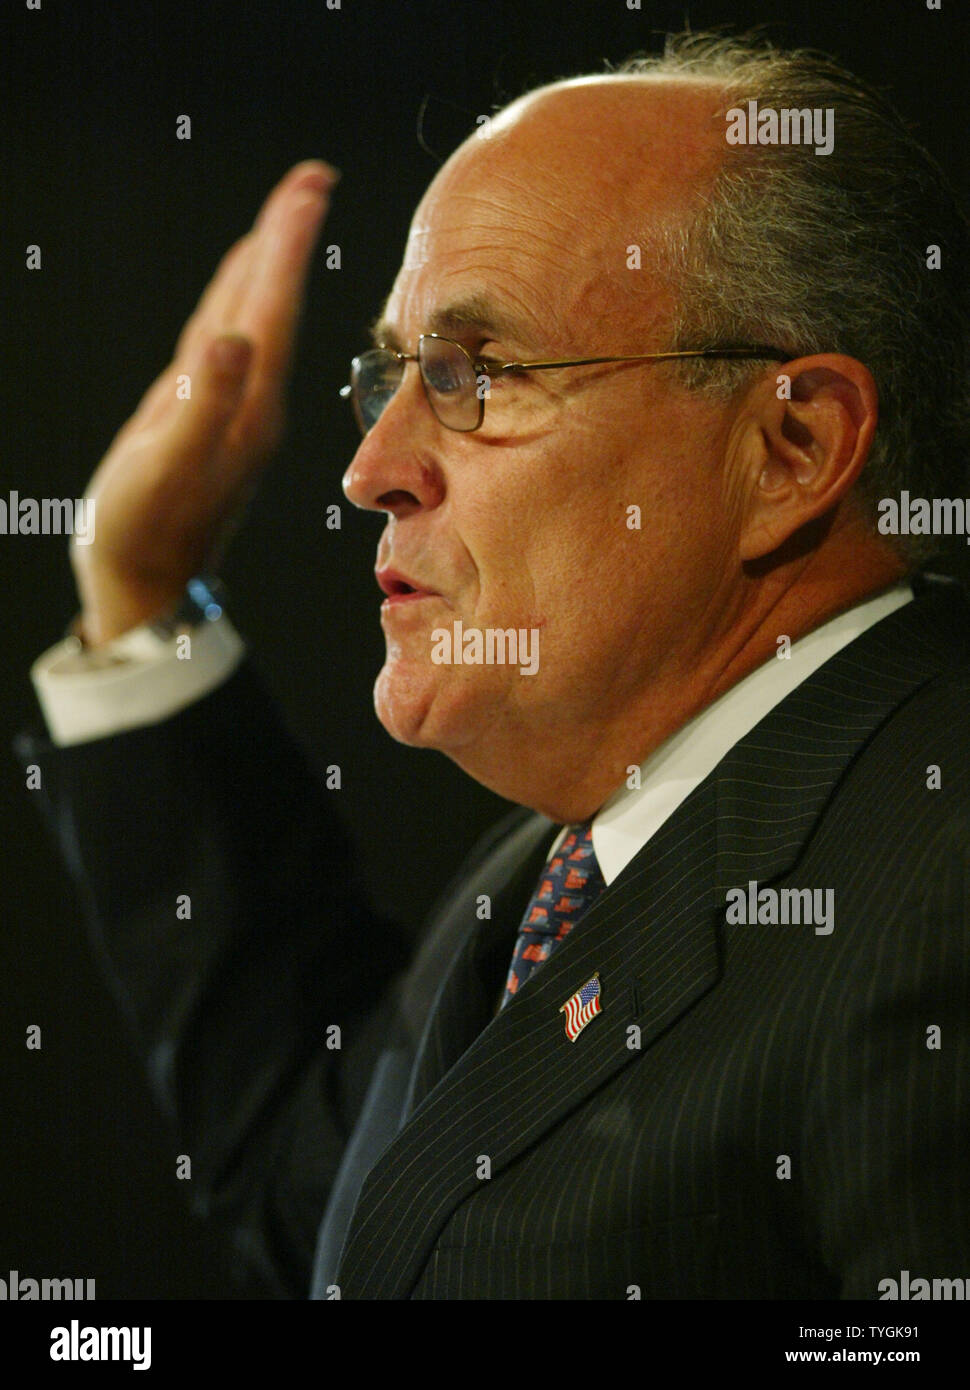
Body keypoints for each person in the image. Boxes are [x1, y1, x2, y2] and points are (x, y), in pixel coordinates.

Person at [20, 33, 970, 1299]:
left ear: (789, 448)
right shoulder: (592, 841)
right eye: (391, 375)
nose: (368, 470)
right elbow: (354, 1209)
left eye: (479, 374)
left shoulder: (936, 885)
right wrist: (141, 600)